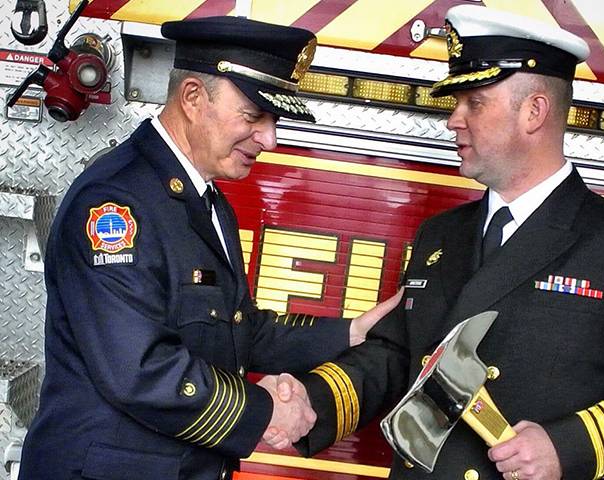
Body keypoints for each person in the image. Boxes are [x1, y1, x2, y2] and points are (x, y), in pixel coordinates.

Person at [264, 5, 604, 480]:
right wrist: (312, 400)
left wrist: (567, 447)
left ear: (534, 111)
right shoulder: (441, 234)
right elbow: (396, 358)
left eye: (474, 103)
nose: (454, 119)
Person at [18, 16, 400, 480]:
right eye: (253, 116)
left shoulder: (206, 199)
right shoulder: (117, 204)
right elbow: (140, 370)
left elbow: (237, 327)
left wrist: (348, 333)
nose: (270, 139)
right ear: (194, 98)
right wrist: (267, 411)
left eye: (273, 120)